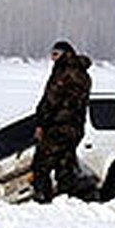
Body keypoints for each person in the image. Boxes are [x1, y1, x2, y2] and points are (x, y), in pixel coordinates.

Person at [31, 39, 91, 203]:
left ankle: (43, 200)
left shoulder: (63, 72)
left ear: (65, 54)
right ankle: (67, 200)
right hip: (76, 128)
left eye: (56, 54)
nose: (53, 59)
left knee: (40, 165)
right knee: (65, 166)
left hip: (58, 127)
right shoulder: (84, 74)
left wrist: (40, 123)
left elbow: (51, 100)